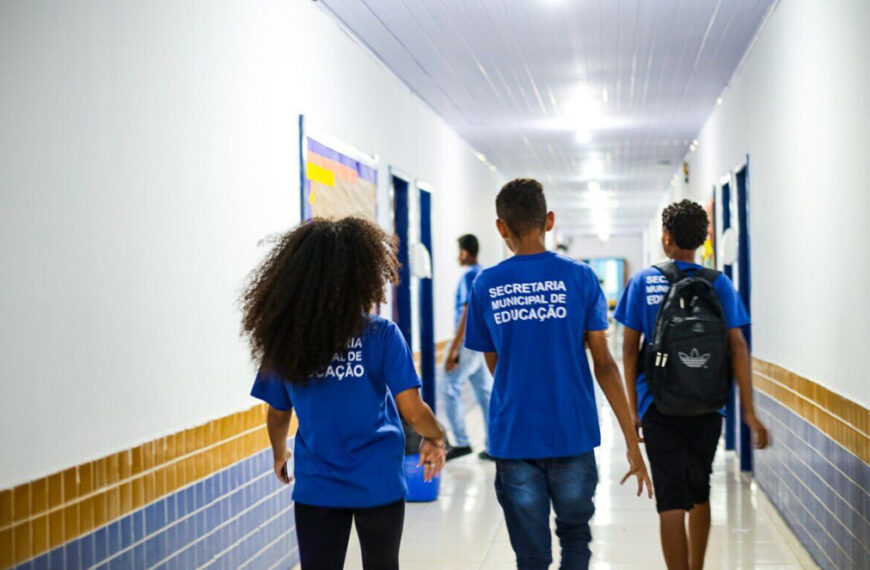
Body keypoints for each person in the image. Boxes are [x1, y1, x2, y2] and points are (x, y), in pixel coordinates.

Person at [464, 178, 652, 570]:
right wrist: (632, 441)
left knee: (531, 555)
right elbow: (604, 364)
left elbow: (494, 362)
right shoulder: (580, 278)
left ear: (502, 228)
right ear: (548, 220)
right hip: (572, 431)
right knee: (575, 537)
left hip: (513, 436)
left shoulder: (485, 285)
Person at [241, 218, 447, 570]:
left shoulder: (286, 340)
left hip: (318, 484)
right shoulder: (381, 334)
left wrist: (279, 452)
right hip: (378, 481)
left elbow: (278, 414)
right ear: (362, 274)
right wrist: (436, 436)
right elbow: (412, 410)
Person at [614, 199, 769, 570]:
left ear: (666, 237)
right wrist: (749, 411)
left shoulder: (643, 282)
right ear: (702, 240)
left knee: (670, 502)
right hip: (708, 405)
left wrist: (633, 410)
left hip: (657, 406)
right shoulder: (720, 284)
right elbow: (738, 345)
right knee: (700, 491)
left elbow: (629, 350)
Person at [443, 233, 494, 461]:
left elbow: (466, 313)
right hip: (482, 341)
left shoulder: (469, 277)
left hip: (469, 343)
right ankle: (494, 445)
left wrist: (453, 350)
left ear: (464, 252)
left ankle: (462, 442)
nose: (458, 256)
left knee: (449, 387)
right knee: (485, 393)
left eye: (458, 251)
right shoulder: (483, 274)